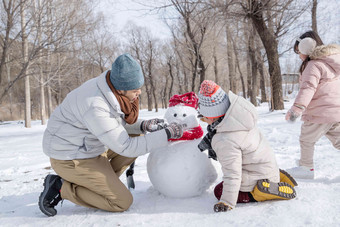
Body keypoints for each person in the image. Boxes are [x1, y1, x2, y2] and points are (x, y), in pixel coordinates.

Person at [38, 53, 183, 217]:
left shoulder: (110, 88)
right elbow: (126, 146)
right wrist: (167, 134)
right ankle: (61, 187)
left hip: (89, 147)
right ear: (121, 89)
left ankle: (98, 184)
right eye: (135, 90)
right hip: (71, 157)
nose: (139, 93)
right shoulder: (95, 105)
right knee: (121, 201)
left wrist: (143, 125)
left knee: (139, 135)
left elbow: (113, 124)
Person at [197, 80, 297, 212]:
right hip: (263, 167)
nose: (203, 119)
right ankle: (274, 177)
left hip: (256, 179)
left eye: (204, 116)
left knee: (219, 190)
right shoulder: (238, 120)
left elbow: (232, 173)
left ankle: (265, 190)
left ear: (212, 116)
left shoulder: (225, 139)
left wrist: (226, 201)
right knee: (226, 185)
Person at [285, 31, 340, 179]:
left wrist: (297, 109)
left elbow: (308, 88)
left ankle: (306, 167)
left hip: (319, 113)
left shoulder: (313, 65)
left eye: (299, 51)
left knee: (307, 139)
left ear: (307, 48)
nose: (299, 56)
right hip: (336, 112)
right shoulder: (331, 62)